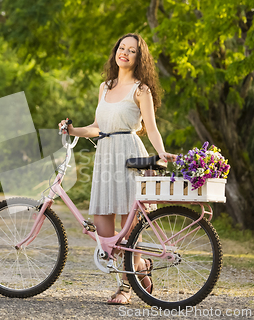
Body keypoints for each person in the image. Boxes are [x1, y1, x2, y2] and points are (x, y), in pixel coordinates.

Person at [58, 33, 177, 305]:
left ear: (139, 57)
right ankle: (140, 265)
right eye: (121, 48)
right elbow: (98, 127)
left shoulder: (141, 89)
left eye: (131, 50)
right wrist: (73, 130)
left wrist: (160, 153)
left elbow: (152, 128)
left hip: (130, 154)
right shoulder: (105, 86)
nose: (124, 52)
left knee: (130, 226)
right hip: (106, 156)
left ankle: (125, 287)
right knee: (104, 230)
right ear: (116, 52)